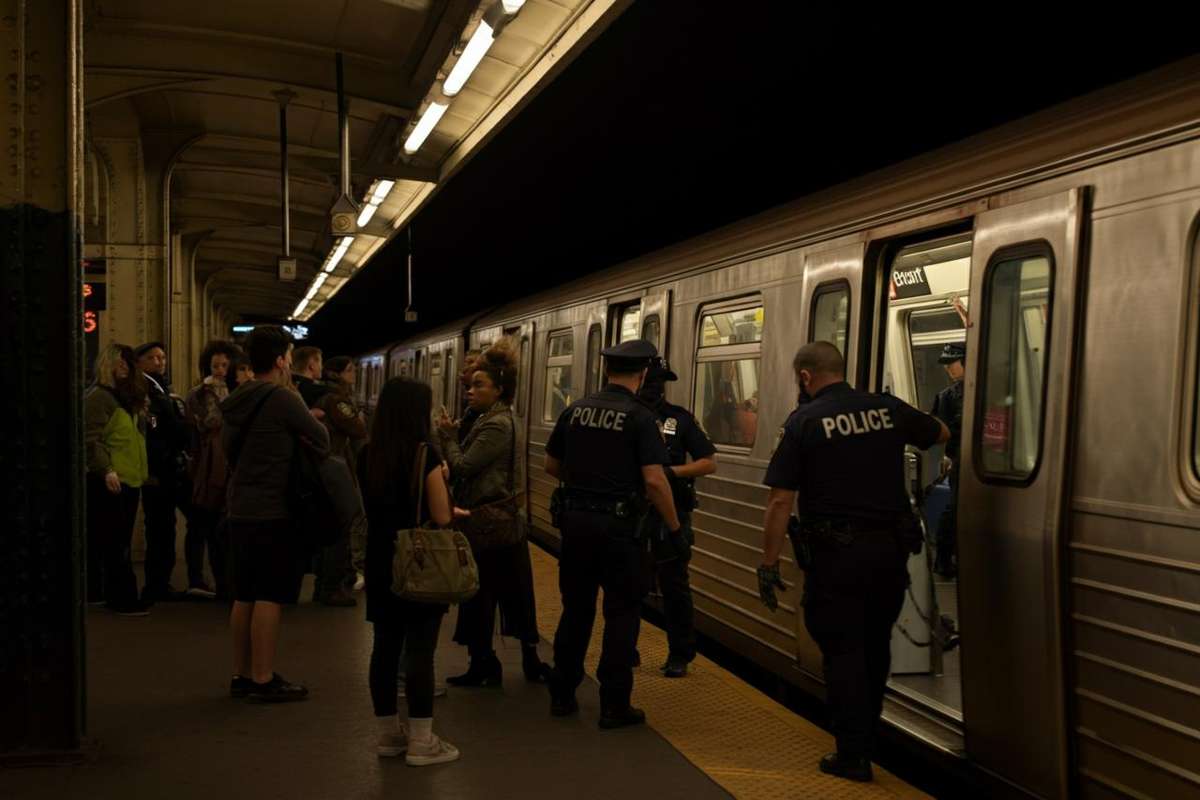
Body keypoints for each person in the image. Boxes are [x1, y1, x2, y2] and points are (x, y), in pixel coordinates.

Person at [757, 341, 948, 782]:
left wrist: (769, 563)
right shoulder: (887, 408)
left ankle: (852, 754)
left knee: (843, 651)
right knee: (875, 646)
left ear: (806, 377)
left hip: (836, 558)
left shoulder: (803, 421)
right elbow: (940, 433)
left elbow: (780, 500)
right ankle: (868, 736)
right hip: (888, 554)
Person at [544, 339, 682, 729]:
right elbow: (655, 481)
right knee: (622, 613)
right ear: (643, 373)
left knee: (576, 610)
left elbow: (551, 465)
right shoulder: (641, 417)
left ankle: (562, 693)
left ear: (607, 371)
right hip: (621, 531)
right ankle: (614, 704)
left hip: (576, 525)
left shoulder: (575, 410)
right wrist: (674, 528)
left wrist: (585, 483)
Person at [220, 326, 330, 702]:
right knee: (269, 594)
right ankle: (264, 679)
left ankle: (241, 674)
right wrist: (294, 394)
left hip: (239, 507)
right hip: (273, 510)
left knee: (244, 595)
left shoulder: (237, 398)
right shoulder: (282, 398)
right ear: (282, 360)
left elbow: (229, 452)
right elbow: (322, 438)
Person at [358, 377, 462, 766]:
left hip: (381, 558)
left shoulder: (367, 453)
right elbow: (441, 515)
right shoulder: (426, 455)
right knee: (420, 650)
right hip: (418, 562)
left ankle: (388, 735)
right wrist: (445, 483)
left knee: (384, 648)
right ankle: (421, 741)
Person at [435, 339, 548, 687]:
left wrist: (448, 437)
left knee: (482, 595)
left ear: (499, 389)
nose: (470, 391)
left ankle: (486, 663)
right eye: (470, 385)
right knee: (510, 595)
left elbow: (463, 467)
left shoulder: (496, 424)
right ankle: (509, 660)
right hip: (499, 523)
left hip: (489, 525)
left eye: (478, 385)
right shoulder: (494, 418)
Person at [636, 356, 717, 678]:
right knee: (630, 584)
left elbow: (708, 462)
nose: (655, 387)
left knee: (675, 586)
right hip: (634, 513)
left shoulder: (679, 419)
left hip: (672, 513)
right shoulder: (628, 415)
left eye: (660, 381)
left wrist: (671, 473)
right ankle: (627, 647)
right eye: (651, 380)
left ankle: (680, 653)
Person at [85, 344, 151, 616]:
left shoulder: (125, 397)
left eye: (127, 363)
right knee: (116, 542)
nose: (124, 367)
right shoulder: (99, 397)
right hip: (111, 479)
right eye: (119, 362)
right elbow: (91, 438)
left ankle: (106, 592)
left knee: (116, 539)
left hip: (129, 477)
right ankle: (123, 597)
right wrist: (106, 469)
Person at [135, 341, 191, 603]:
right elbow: (156, 431)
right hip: (158, 470)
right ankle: (156, 585)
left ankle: (160, 582)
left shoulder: (160, 387)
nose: (160, 362)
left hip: (166, 466)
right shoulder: (146, 390)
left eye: (162, 357)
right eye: (152, 357)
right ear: (139, 362)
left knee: (164, 527)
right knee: (160, 528)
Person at [184, 339, 240, 600]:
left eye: (225, 365)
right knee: (205, 522)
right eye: (215, 365)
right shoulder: (198, 394)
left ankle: (229, 581)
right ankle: (206, 580)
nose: (220, 371)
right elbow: (206, 423)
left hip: (233, 462)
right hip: (207, 464)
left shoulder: (241, 390)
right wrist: (218, 398)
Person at [310, 355, 366, 607]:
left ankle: (324, 585)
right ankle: (332, 587)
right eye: (350, 370)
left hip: (328, 466)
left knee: (332, 525)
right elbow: (358, 429)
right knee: (341, 526)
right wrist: (359, 419)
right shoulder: (336, 400)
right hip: (335, 467)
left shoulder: (326, 397)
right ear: (337, 374)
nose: (354, 374)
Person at [930, 342, 965, 578]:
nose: (948, 369)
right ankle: (943, 560)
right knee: (955, 509)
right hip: (960, 460)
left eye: (951, 362)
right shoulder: (946, 397)